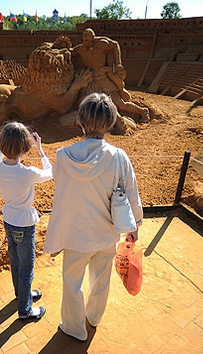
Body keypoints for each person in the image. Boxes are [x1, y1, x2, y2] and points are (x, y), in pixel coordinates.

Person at [43, 93, 143, 341]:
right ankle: (94, 317)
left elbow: (61, 185)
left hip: (75, 235)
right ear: (111, 122)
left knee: (71, 282)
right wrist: (135, 225)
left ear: (80, 120)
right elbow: (132, 192)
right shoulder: (119, 157)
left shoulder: (63, 156)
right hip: (107, 233)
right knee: (101, 279)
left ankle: (74, 327)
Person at [0, 121, 53, 320]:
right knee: (27, 267)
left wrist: (4, 148)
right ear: (25, 148)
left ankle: (21, 294)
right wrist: (40, 149)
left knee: (15, 261)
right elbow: (51, 172)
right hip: (25, 224)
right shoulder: (28, 173)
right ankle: (25, 310)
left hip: (9, 219)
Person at [72, 28, 150, 130]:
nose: (84, 41)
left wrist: (118, 63)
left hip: (103, 80)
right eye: (83, 38)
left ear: (93, 39)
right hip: (90, 81)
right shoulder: (80, 49)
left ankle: (143, 111)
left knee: (121, 105)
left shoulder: (101, 45)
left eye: (87, 39)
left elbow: (115, 44)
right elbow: (69, 53)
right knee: (82, 102)